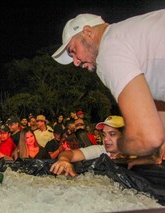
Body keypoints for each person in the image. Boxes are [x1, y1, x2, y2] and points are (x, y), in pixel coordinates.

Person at [51, 11, 165, 157]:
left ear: (88, 32)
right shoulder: (129, 38)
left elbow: (147, 138)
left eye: (73, 51)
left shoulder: (108, 50)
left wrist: (120, 147)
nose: (76, 62)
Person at [50, 116, 133, 176]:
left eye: (112, 134)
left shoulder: (138, 155)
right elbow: (70, 153)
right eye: (104, 134)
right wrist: (63, 160)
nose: (106, 139)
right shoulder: (101, 150)